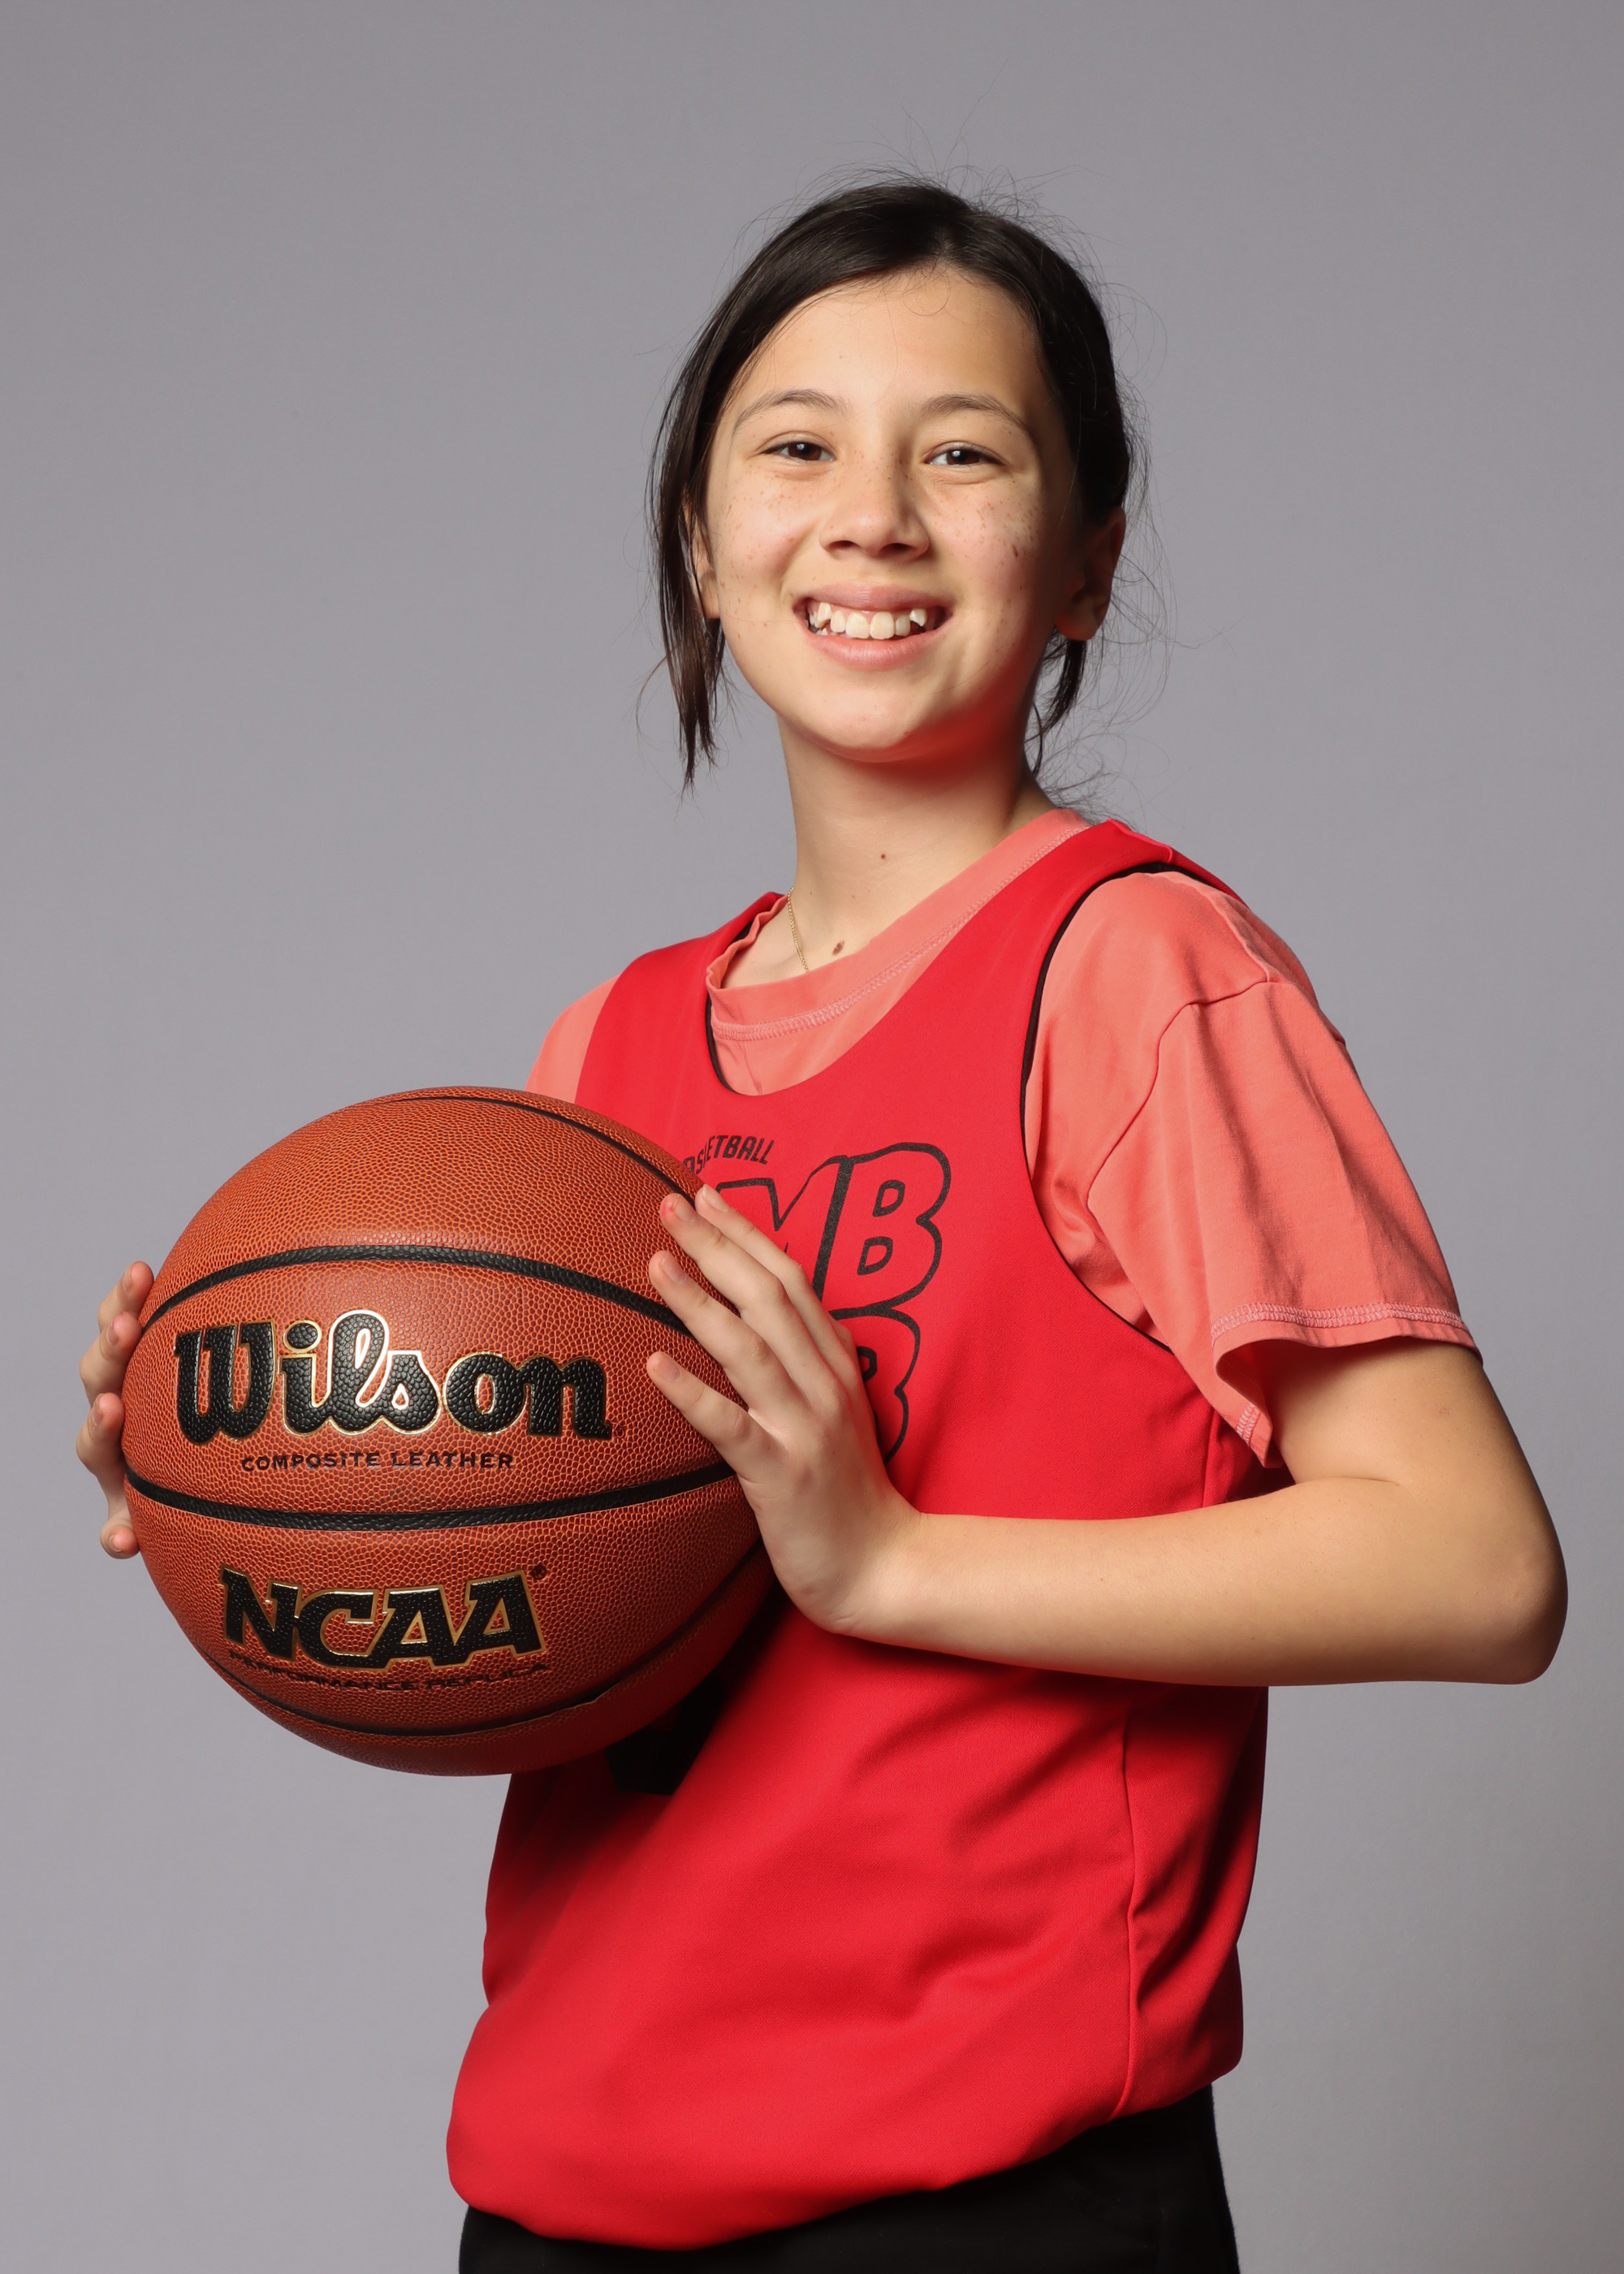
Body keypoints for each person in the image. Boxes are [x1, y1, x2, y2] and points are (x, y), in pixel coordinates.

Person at [77, 179, 1566, 2272]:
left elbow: (1478, 1567)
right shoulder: (603, 1050)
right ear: (701, 542)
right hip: (562, 2186)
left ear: (1087, 560)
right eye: (797, 446)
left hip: (983, 2200)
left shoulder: (1134, 972)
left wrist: (890, 1560)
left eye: (963, 453)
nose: (871, 516)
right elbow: (552, 1602)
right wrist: (255, 1458)